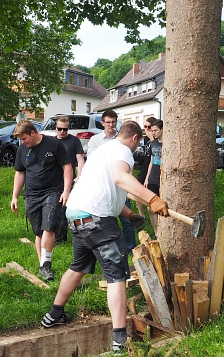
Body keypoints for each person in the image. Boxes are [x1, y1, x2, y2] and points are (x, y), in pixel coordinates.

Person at [41, 121, 169, 352]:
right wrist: (153, 198)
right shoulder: (123, 151)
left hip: (76, 215)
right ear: (135, 138)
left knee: (78, 266)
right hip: (97, 220)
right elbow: (120, 179)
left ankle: (54, 315)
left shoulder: (101, 151)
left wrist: (130, 215)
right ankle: (120, 340)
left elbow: (106, 191)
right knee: (117, 276)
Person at [11, 120, 73, 281]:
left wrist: (66, 191)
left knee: (49, 227)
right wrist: (14, 196)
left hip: (53, 191)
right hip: (31, 195)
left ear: (33, 133)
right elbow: (20, 173)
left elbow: (67, 167)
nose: (23, 142)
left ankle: (46, 265)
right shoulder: (22, 149)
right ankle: (42, 265)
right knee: (38, 232)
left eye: (24, 138)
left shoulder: (53, 144)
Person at [86, 109, 136, 253]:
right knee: (108, 219)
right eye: (108, 122)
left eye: (113, 122)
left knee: (127, 219)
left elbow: (128, 163)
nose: (111, 125)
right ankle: (112, 249)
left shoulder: (122, 139)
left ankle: (130, 248)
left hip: (121, 184)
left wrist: (130, 182)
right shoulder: (95, 140)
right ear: (102, 123)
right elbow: (92, 161)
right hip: (104, 184)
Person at [54, 115, 84, 243]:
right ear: (56, 128)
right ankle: (59, 238)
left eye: (65, 129)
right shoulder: (52, 141)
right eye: (59, 129)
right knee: (57, 209)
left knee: (68, 209)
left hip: (70, 180)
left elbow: (80, 160)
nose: (62, 132)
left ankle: (69, 237)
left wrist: (79, 177)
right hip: (55, 180)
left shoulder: (74, 141)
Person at [143, 119, 164, 238]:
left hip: (163, 179)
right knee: (150, 208)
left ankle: (163, 232)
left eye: (155, 130)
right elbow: (151, 161)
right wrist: (147, 178)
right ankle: (156, 233)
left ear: (162, 129)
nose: (153, 133)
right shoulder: (153, 143)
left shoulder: (168, 144)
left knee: (162, 206)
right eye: (152, 130)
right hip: (153, 178)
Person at [135, 117, 157, 219]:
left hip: (153, 169)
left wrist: (152, 138)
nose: (146, 129)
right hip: (145, 167)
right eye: (145, 127)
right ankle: (141, 215)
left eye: (148, 127)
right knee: (135, 189)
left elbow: (156, 150)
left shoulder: (156, 138)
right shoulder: (146, 139)